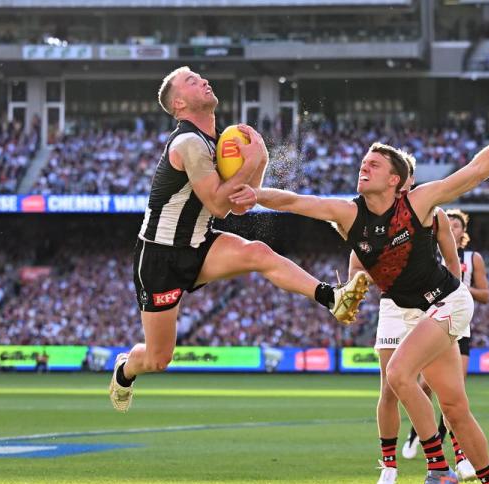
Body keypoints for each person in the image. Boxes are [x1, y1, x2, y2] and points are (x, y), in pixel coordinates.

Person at [247, 88, 489, 484]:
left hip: (447, 302)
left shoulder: (419, 201)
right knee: (455, 409)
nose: (363, 168)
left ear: (396, 179)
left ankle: (438, 469)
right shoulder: (350, 214)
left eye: (373, 165)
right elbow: (294, 202)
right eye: (362, 163)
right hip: (412, 312)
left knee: (398, 375)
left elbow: (477, 170)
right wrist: (250, 192)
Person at [108, 67, 370, 412]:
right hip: (159, 258)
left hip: (199, 244)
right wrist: (255, 160)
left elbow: (240, 206)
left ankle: (332, 297)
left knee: (259, 252)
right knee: (158, 359)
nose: (202, 80)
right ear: (180, 104)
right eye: (191, 81)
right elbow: (218, 203)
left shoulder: (221, 143)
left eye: (200, 77)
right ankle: (125, 371)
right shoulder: (188, 142)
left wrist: (257, 162)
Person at [342, 157, 464, 484]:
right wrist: (354, 288)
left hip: (432, 302)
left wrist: (454, 306)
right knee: (390, 388)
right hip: (394, 305)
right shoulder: (373, 216)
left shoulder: (432, 214)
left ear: (404, 182)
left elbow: (453, 263)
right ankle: (389, 464)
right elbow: (357, 260)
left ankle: (455, 458)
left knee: (442, 388)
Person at [401, 208, 489, 484]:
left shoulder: (473, 259)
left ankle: (460, 455)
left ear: (463, 232)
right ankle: (417, 433)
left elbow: (485, 294)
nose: (452, 229)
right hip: (432, 320)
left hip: (460, 321)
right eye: (447, 225)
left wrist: (459, 287)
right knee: (425, 386)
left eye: (457, 226)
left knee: (455, 392)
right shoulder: (429, 254)